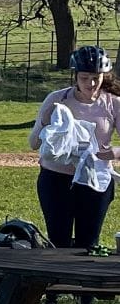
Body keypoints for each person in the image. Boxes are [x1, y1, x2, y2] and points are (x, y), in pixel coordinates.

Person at [29, 45, 119, 250]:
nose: (91, 83)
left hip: (94, 179)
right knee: (58, 241)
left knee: (88, 244)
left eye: (96, 77)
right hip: (56, 178)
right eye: (85, 78)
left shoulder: (113, 103)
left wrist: (111, 153)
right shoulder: (57, 99)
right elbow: (34, 143)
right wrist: (44, 121)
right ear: (75, 76)